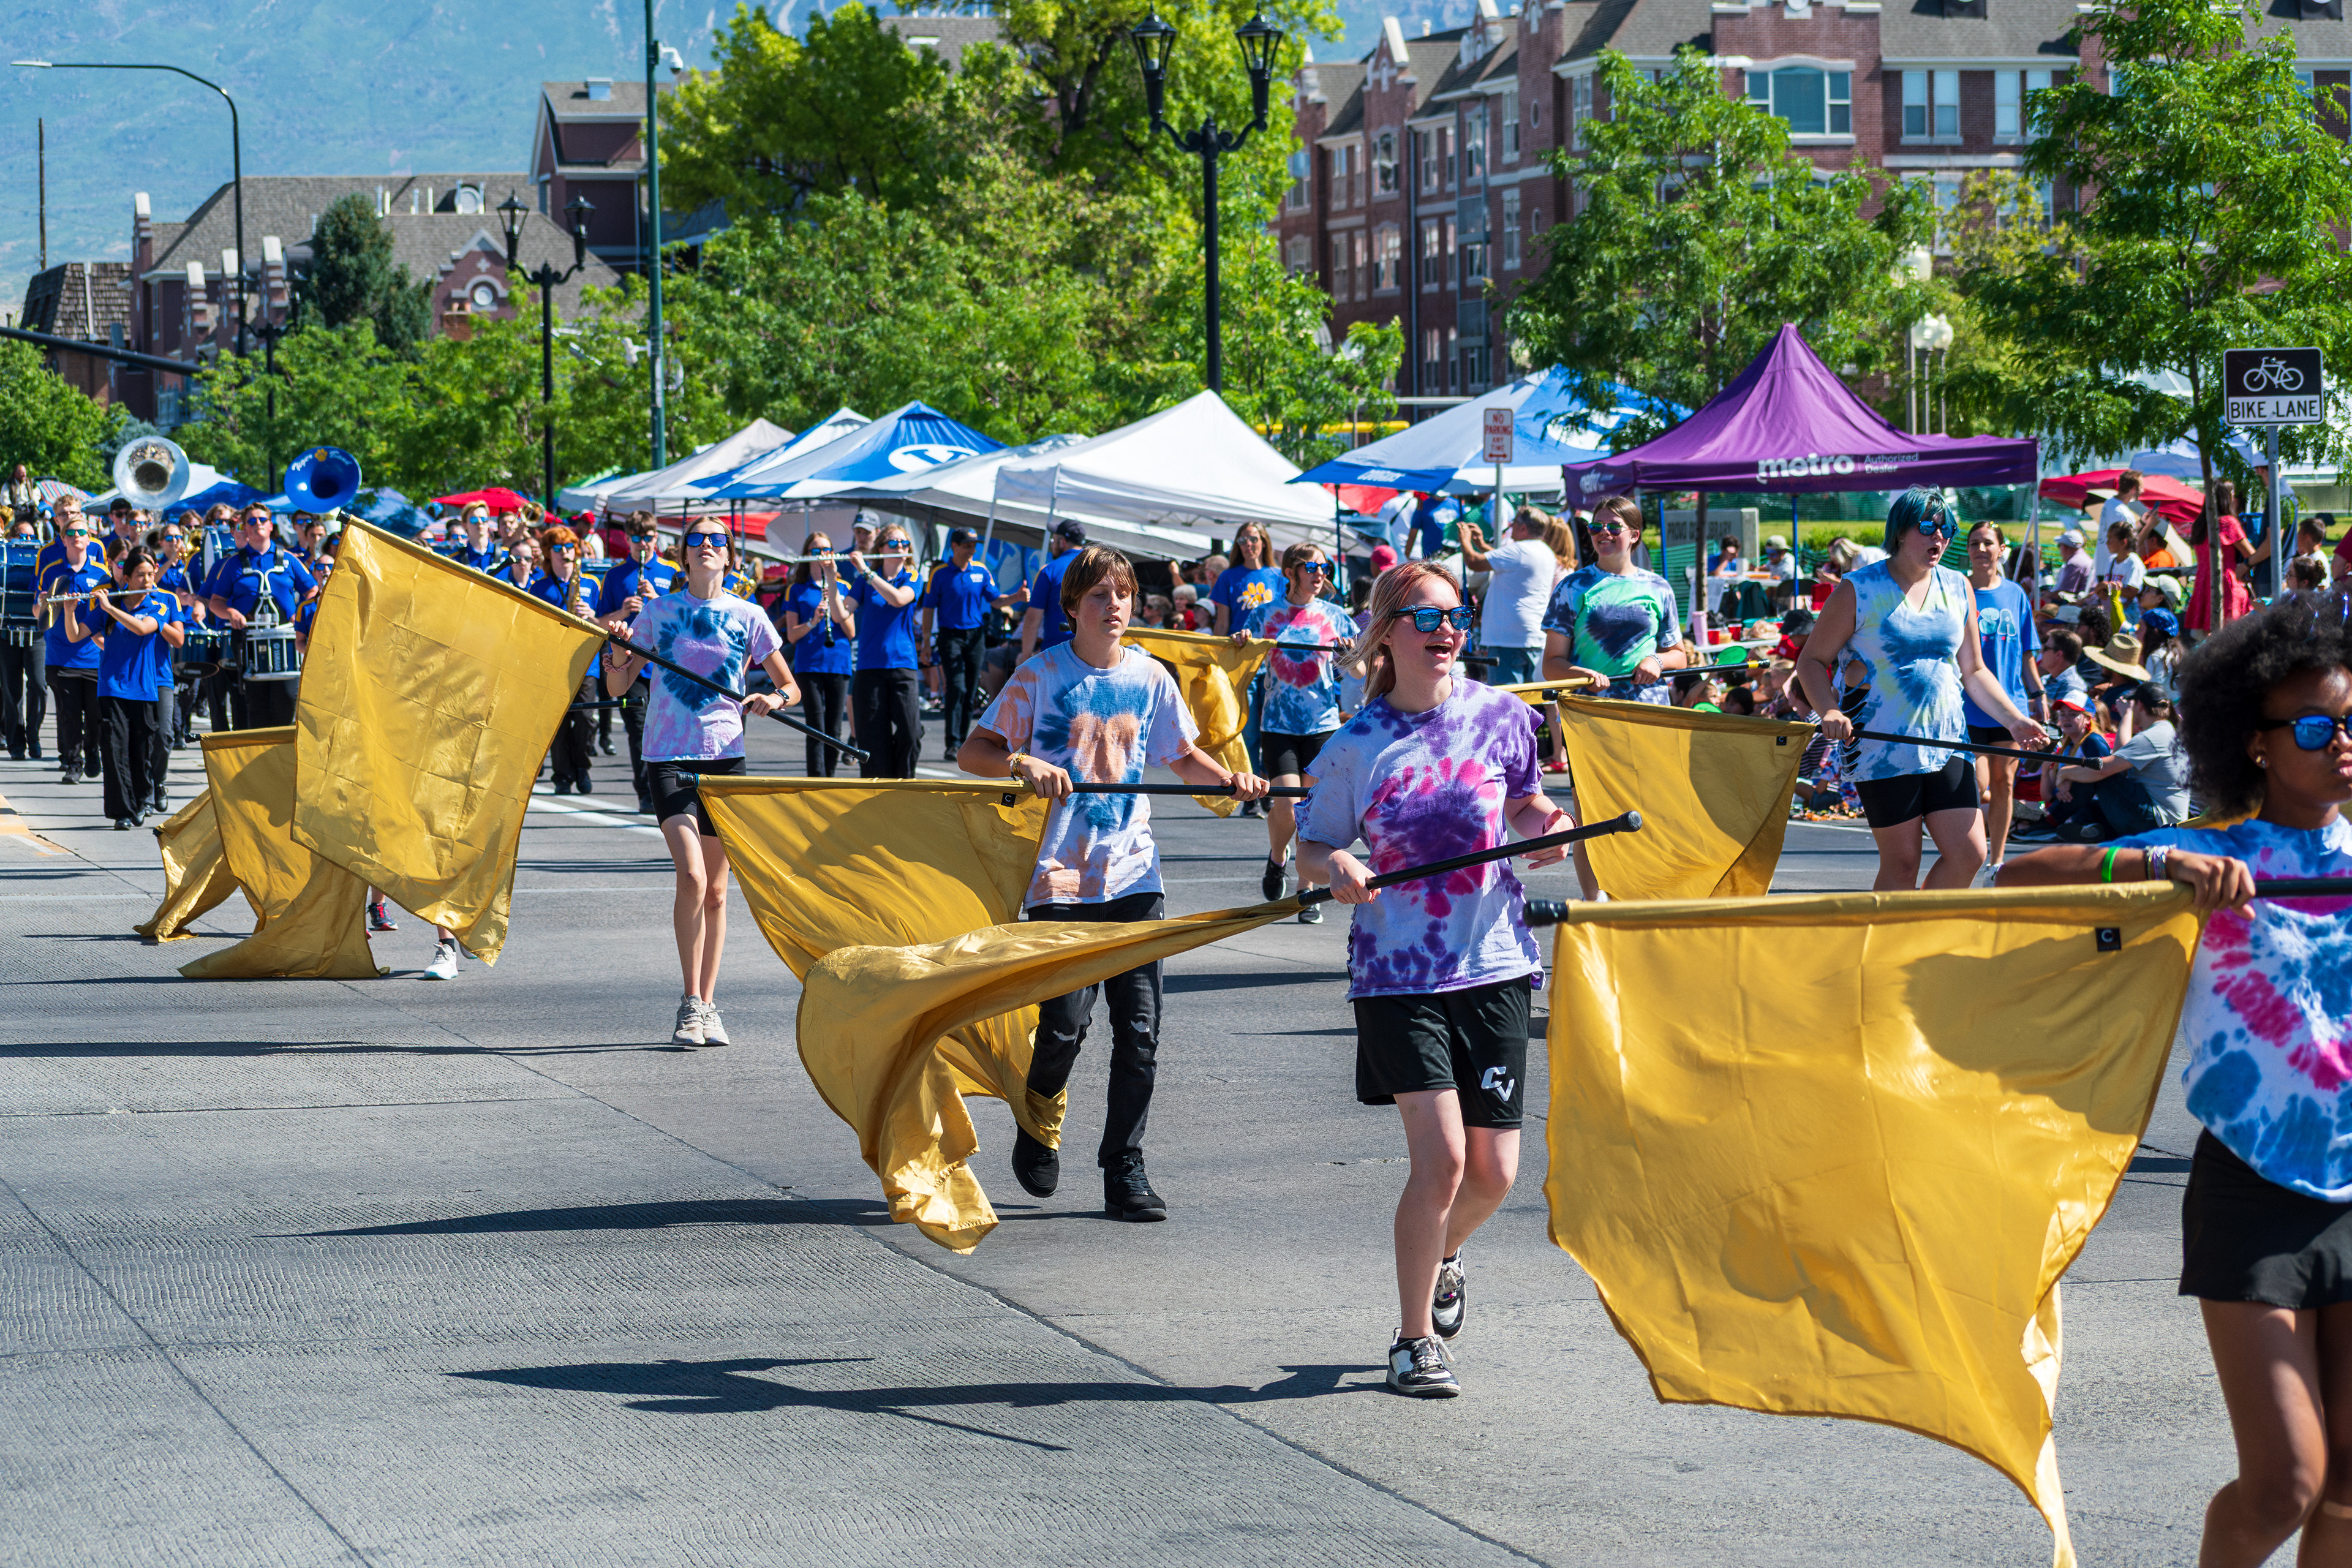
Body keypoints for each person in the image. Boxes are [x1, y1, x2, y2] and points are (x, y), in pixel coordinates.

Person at [1995, 595, 2352, 1566]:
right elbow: (2010, 886)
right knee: (2287, 1482)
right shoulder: (2210, 854)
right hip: (2253, 1192)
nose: (2344, 743)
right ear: (2258, 745)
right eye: (2319, 726)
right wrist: (2157, 858)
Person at [1296, 560, 1570, 1398]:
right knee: (1446, 1159)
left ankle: (1445, 1256)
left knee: (1495, 1172)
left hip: (1494, 962)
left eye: (1458, 616)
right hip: (1397, 974)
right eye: (1426, 618)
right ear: (1388, 635)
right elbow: (1309, 847)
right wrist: (1336, 861)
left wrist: (1547, 827)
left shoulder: (1501, 718)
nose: (1447, 632)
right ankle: (1414, 1340)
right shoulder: (1356, 747)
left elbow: (1524, 804)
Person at [959, 546, 1268, 1219]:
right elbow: (972, 752)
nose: (1116, 606)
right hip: (1060, 875)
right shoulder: (1040, 674)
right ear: (1072, 606)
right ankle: (1039, 1121)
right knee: (1064, 1024)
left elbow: (1182, 758)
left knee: (1141, 1028)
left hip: (1134, 873)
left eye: (1124, 594)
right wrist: (1021, 762)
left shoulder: (1152, 677)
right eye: (1100, 595)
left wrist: (1234, 782)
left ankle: (1124, 1166)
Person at [600, 519, 799, 1046]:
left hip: (726, 759)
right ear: (683, 555)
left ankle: (709, 1005)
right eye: (697, 539)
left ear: (730, 557)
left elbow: (790, 686)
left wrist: (771, 699)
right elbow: (620, 683)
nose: (707, 546)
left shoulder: (749, 615)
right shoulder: (660, 613)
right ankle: (691, 1003)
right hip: (668, 756)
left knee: (716, 890)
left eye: (717, 541)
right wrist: (614, 647)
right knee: (690, 875)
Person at [1796, 488, 2048, 891]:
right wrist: (1829, 709)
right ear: (1899, 531)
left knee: (1970, 853)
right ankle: (1885, 948)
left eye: (1947, 529)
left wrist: (2016, 720)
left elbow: (1976, 671)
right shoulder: (1858, 589)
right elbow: (1810, 662)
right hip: (1883, 746)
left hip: (1948, 741)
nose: (1940, 538)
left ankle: (1919, 938)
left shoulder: (1958, 586)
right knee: (1902, 863)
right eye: (1928, 527)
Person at [1237, 542, 1355, 919]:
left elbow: (1363, 673)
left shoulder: (1336, 616)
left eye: (1326, 567)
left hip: (1322, 725)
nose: (1319, 573)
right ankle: (1277, 857)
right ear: (1290, 571)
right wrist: (1240, 643)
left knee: (1313, 810)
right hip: (1278, 724)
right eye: (1310, 567)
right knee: (1287, 804)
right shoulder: (1265, 614)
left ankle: (1307, 892)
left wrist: (1349, 656)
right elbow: (1240, 659)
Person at [63, 547, 184, 829]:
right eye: (141, 575)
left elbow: (142, 629)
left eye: (151, 574)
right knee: (114, 748)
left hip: (144, 688)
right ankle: (122, 812)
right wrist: (69, 611)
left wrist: (110, 608)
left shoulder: (159, 603)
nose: (148, 580)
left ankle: (143, 800)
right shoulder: (106, 606)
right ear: (126, 578)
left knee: (140, 749)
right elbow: (74, 636)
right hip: (111, 686)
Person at [1541, 496, 1689, 703]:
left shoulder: (1659, 587)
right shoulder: (1571, 587)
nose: (1604, 532)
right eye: (1596, 527)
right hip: (1589, 712)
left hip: (1649, 710)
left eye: (1614, 527)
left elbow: (1679, 656)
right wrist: (1582, 676)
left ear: (1635, 535)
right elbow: (1551, 665)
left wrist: (1656, 660)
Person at [1962, 520, 2046, 875]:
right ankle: (1969, 853)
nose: (1981, 550)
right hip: (1967, 707)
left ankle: (1996, 862)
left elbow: (2028, 654)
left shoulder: (2015, 595)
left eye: (1988, 543)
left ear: (2001, 550)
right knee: (1975, 786)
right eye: (1974, 544)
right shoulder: (1958, 591)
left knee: (2005, 783)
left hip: (2008, 707)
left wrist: (2038, 693)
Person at [201, 502, 317, 731]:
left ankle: (281, 763)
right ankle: (261, 764)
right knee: (256, 708)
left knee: (287, 702)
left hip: (285, 640)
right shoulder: (234, 563)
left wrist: (300, 616)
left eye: (262, 520)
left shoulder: (289, 560)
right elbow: (215, 602)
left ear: (271, 525)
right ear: (244, 527)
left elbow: (312, 591)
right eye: (251, 521)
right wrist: (232, 613)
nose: (257, 525)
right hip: (249, 642)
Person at [595, 511, 681, 815]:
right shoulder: (615, 575)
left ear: (656, 537)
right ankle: (646, 792)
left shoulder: (672, 571)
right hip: (630, 661)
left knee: (669, 727)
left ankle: (670, 786)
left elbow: (681, 618)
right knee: (638, 729)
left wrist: (657, 598)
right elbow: (598, 623)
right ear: (627, 539)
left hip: (665, 664)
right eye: (636, 539)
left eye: (648, 538)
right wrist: (621, 611)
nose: (642, 545)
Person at [2041, 679, 2188, 839]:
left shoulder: (2152, 736)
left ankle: (2052, 823)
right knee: (2089, 804)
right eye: (2063, 714)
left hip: (2158, 822)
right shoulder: (2165, 731)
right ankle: (2093, 828)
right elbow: (2119, 756)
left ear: (2139, 705)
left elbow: (2105, 767)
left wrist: (2064, 773)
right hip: (2161, 819)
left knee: (2100, 772)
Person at [922, 526, 1020, 756]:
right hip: (950, 636)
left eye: (974, 545)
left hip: (976, 636)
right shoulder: (940, 573)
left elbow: (996, 600)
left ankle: (963, 741)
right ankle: (952, 741)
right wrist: (926, 640)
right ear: (954, 546)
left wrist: (1016, 597)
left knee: (970, 689)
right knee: (956, 687)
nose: (971, 550)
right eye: (966, 545)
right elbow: (928, 608)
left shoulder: (981, 571)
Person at [845, 522, 923, 778]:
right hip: (870, 667)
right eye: (893, 543)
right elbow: (841, 613)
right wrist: (831, 576)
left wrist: (866, 571)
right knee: (871, 738)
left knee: (910, 733)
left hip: (902, 665)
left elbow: (898, 599)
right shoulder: (863, 581)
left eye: (904, 543)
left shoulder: (912, 577)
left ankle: (904, 785)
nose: (900, 547)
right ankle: (877, 789)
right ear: (881, 548)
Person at [38, 511, 111, 784]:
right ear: (63, 539)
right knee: (69, 714)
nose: (77, 536)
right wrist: (46, 602)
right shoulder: (52, 571)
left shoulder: (101, 574)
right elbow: (39, 613)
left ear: (90, 539)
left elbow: (109, 617)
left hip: (94, 656)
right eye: (71, 533)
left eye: (82, 532)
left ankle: (93, 751)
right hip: (60, 653)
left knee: (94, 715)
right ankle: (73, 762)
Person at [779, 533, 855, 778]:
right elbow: (792, 636)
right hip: (809, 664)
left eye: (826, 550)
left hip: (838, 663)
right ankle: (816, 780)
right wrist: (813, 622)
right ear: (806, 555)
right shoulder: (797, 590)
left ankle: (829, 780)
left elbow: (851, 631)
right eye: (815, 550)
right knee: (815, 726)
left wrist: (835, 608)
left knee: (834, 728)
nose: (822, 555)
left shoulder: (843, 587)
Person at [1457, 506, 1558, 686]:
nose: (1510, 526)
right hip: (1532, 636)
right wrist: (1480, 544)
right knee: (1534, 702)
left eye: (1514, 523)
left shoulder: (1519, 550)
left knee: (1505, 703)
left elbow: (1474, 563)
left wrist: (1464, 541)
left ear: (1524, 528)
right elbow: (1502, 561)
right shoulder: (1545, 551)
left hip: (1508, 640)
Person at [531, 526, 599, 796]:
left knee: (585, 718)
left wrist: (592, 615)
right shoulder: (540, 587)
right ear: (549, 553)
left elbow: (605, 621)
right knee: (558, 723)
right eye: (558, 549)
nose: (565, 553)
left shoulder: (591, 583)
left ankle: (581, 766)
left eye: (570, 548)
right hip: (553, 660)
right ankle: (562, 775)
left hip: (586, 660)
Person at [2, 511, 45, 761]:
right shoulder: (5, 554)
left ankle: (34, 735)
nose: (28, 539)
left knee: (39, 686)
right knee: (11, 690)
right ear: (12, 537)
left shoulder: (43, 559)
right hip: (6, 630)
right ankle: (16, 743)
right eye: (22, 535)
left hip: (37, 631)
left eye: (31, 535)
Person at [2189, 480, 2255, 638]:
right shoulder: (2228, 522)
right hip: (2225, 581)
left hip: (2203, 581)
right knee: (2228, 636)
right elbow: (2250, 554)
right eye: (2232, 494)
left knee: (2206, 637)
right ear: (2226, 498)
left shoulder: (2200, 524)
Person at [1020, 520, 1089, 658]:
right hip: (1090, 655)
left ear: (1062, 542)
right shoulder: (1095, 568)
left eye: (1054, 540)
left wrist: (1025, 657)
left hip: (1056, 654)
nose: (1052, 544)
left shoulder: (1049, 570)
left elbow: (1033, 620)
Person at [446, 503, 506, 575]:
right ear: (464, 525)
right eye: (474, 520)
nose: (480, 522)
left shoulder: (506, 555)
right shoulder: (455, 559)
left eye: (484, 519)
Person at [2049, 530, 2094, 600]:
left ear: (2064, 547)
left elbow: (2064, 593)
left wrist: (2045, 595)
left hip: (2078, 605)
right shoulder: (2084, 558)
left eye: (2059, 546)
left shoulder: (2074, 563)